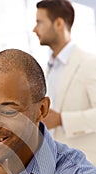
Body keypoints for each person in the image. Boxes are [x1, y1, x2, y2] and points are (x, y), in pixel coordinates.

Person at [33, 0, 96, 165]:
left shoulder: (89, 63)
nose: (34, 29)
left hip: (87, 168)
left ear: (59, 23)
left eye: (40, 22)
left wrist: (62, 119)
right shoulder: (49, 68)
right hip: (59, 167)